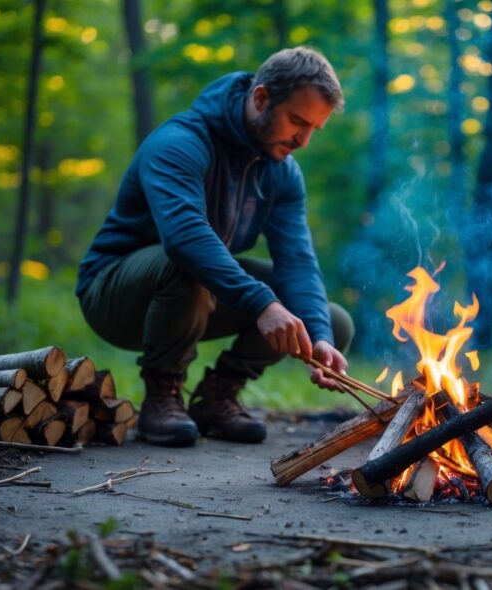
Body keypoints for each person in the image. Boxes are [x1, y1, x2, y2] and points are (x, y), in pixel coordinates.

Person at [75, 47, 354, 447]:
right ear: (260, 99)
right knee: (189, 261)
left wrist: (321, 336)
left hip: (198, 293)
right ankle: (162, 395)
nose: (304, 141)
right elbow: (186, 238)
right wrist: (262, 304)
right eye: (297, 121)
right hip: (115, 295)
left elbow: (297, 262)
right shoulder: (180, 142)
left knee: (331, 320)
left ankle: (217, 396)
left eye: (314, 129)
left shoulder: (283, 174)